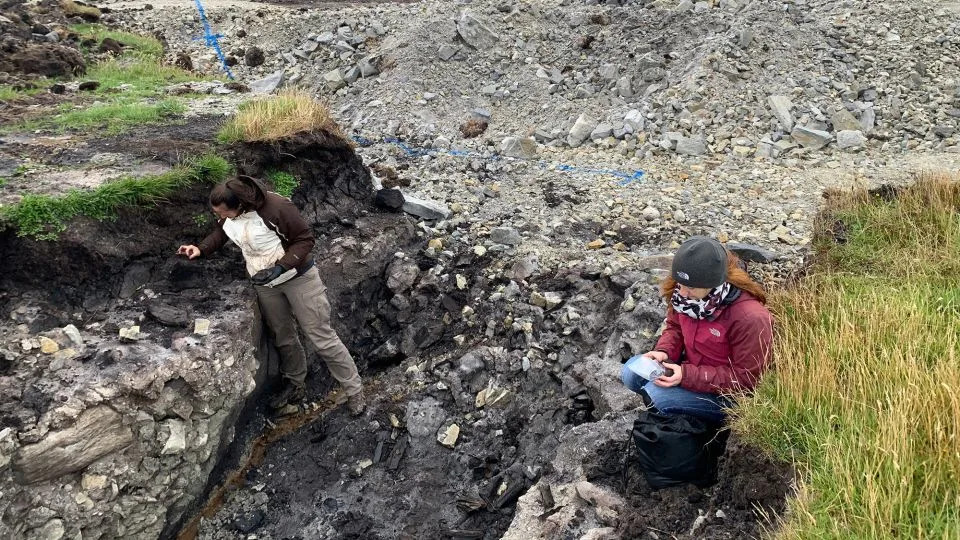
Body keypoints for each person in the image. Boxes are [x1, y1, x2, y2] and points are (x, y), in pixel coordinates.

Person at [177, 175, 366, 415]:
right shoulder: (229, 217)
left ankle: (354, 390)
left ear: (240, 205)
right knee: (283, 336)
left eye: (224, 212)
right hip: (264, 282)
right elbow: (222, 231)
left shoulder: (276, 208)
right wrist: (201, 248)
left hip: (298, 278)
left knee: (321, 336)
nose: (221, 217)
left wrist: (281, 267)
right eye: (218, 214)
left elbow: (305, 239)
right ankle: (295, 384)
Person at [621, 236, 773, 424]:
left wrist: (686, 376)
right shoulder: (683, 297)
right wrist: (664, 353)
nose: (682, 293)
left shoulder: (750, 317)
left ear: (713, 283)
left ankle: (697, 428)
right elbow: (675, 328)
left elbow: (747, 379)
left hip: (727, 396)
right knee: (631, 372)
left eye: (691, 287)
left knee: (657, 395)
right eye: (680, 283)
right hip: (690, 372)